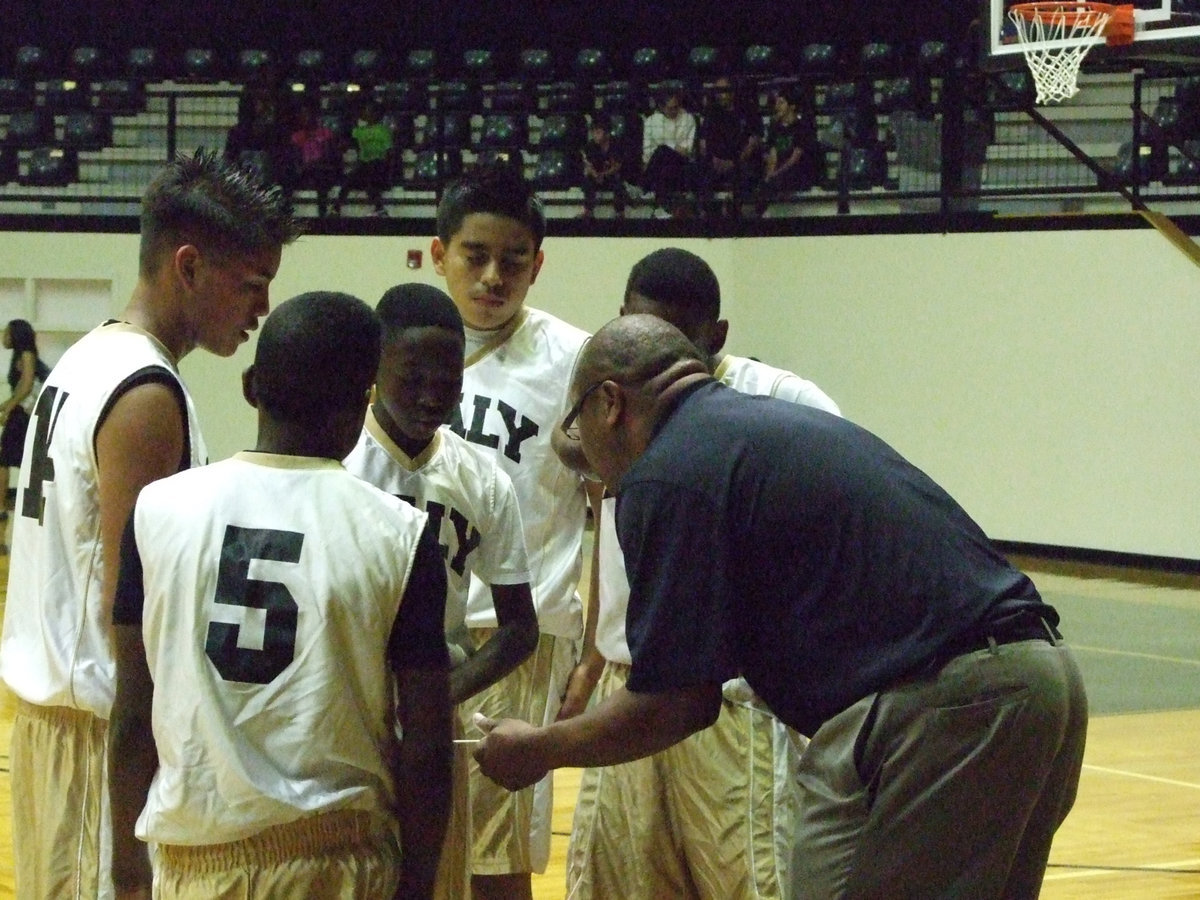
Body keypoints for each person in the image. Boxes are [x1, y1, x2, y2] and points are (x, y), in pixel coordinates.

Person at [475, 313, 1089, 899]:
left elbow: (676, 702)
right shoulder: (750, 428)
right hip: (1039, 681)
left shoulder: (667, 475)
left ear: (610, 403)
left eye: (581, 424)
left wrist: (541, 748)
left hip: (946, 706)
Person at [0, 150, 300, 900]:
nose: (262, 309)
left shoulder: (80, 360)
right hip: (101, 736)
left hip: (50, 727)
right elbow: (130, 617)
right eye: (252, 284)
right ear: (190, 266)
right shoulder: (145, 395)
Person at [108, 291, 453, 900]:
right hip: (337, 857)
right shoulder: (401, 533)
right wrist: (420, 885)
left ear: (250, 387)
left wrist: (127, 867)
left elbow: (133, 712)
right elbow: (425, 739)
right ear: (362, 400)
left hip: (191, 860)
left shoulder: (155, 511)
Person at [556, 248, 839, 900]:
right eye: (639, 327)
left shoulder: (781, 398)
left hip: (732, 698)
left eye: (677, 335)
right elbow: (574, 460)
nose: (653, 348)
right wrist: (595, 657)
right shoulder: (609, 400)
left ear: (715, 337)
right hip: (633, 688)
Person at [343, 282, 539, 900]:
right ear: (375, 369)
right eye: (412, 377)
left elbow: (519, 627)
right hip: (341, 714)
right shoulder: (338, 460)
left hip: (431, 722)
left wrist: (436, 694)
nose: (432, 394)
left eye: (448, 379)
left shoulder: (479, 478)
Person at [429, 162, 591, 900]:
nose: (493, 277)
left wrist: (594, 650)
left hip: (512, 635)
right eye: (475, 255)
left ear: (538, 265)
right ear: (439, 253)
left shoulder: (578, 362)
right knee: (414, 834)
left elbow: (610, 504)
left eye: (513, 261)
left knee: (495, 856)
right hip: (409, 625)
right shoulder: (397, 346)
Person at [0, 319, 50, 532]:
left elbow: (27, 384)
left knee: (5, 459)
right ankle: (28, 507)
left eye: (7, 334)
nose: (4, 337)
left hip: (25, 414)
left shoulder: (26, 354)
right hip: (24, 413)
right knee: (22, 460)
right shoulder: (22, 354)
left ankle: (3, 505)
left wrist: (10, 407)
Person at [696, 76, 763, 219]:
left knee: (747, 172)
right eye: (717, 92)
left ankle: (736, 214)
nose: (719, 96)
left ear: (732, 92)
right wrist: (713, 159)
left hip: (740, 161)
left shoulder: (748, 111)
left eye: (723, 91)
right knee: (699, 171)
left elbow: (753, 142)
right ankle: (708, 214)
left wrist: (734, 163)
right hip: (716, 161)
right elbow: (703, 143)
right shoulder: (712, 112)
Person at [752, 86, 823, 217]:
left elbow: (794, 159)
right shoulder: (775, 126)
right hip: (779, 171)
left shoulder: (801, 127)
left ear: (792, 106)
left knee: (778, 180)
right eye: (776, 103)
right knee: (762, 180)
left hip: (797, 170)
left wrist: (775, 175)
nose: (777, 106)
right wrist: (769, 175)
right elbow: (772, 154)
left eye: (781, 103)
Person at [640, 85, 698, 217]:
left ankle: (647, 189)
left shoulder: (688, 119)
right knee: (663, 159)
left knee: (662, 151)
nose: (673, 111)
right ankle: (664, 207)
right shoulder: (651, 121)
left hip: (682, 165)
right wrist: (673, 146)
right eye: (670, 108)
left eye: (676, 107)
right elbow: (647, 153)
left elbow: (686, 152)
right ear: (661, 107)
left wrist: (667, 144)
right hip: (659, 167)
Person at [332, 99, 394, 217]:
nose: (366, 113)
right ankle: (336, 209)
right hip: (364, 164)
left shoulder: (383, 131)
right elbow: (348, 142)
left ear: (376, 114)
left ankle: (380, 209)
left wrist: (388, 171)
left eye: (369, 111)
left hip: (379, 164)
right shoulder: (359, 130)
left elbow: (389, 152)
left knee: (371, 181)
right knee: (348, 183)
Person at [281, 100, 342, 218]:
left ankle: (323, 214)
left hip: (321, 169)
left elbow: (329, 155)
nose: (304, 117)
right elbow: (295, 156)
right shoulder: (297, 136)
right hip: (305, 169)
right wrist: (300, 167)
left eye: (306, 114)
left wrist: (317, 163)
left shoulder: (325, 133)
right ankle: (286, 212)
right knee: (287, 179)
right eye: (301, 115)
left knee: (321, 180)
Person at [579, 116, 626, 219]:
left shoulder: (616, 144)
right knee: (587, 182)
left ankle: (620, 212)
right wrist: (595, 175)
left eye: (598, 132)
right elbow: (588, 164)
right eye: (593, 132)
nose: (595, 135)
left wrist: (604, 175)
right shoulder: (590, 146)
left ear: (607, 133)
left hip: (611, 175)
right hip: (596, 175)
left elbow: (617, 166)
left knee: (619, 185)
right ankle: (588, 211)